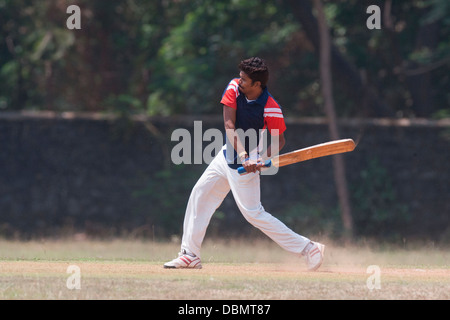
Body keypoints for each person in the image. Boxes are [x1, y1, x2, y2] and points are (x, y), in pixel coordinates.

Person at [163, 57, 324, 271]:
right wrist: (244, 155)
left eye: (244, 80)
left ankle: (309, 248)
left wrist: (260, 158)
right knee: (200, 194)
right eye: (240, 77)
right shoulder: (233, 88)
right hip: (226, 157)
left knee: (254, 214)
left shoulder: (271, 107)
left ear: (257, 84)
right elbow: (229, 125)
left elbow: (280, 141)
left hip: (246, 167)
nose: (239, 82)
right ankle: (190, 255)